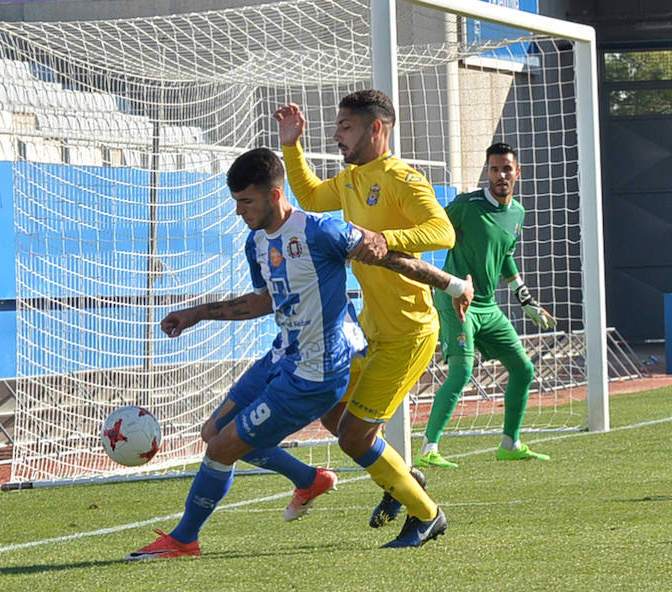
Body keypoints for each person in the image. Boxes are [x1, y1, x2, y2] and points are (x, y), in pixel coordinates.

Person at [125, 148, 472, 560]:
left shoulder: (322, 231)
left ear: (274, 195)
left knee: (225, 449)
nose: (239, 211)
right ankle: (309, 479)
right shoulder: (256, 242)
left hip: (314, 376)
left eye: (246, 202)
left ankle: (184, 539)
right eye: (236, 202)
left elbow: (392, 260)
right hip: (281, 357)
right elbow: (263, 302)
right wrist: (197, 313)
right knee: (214, 434)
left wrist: (453, 286)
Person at [274, 89, 457, 546]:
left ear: (377, 128)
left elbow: (443, 232)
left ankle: (427, 515)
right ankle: (402, 476)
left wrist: (383, 236)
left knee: (354, 437)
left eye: (346, 126)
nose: (336, 135)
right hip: (372, 330)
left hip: (409, 332)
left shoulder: (403, 179)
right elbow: (313, 198)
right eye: (337, 126)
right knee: (331, 408)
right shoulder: (353, 178)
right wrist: (291, 146)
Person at [414, 142, 557, 470]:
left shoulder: (517, 213)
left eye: (507, 169)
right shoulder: (466, 206)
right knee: (463, 371)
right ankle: (428, 447)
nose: (500, 175)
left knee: (524, 369)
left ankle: (510, 443)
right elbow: (432, 231)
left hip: (488, 308)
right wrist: (440, 280)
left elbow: (506, 256)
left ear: (517, 173)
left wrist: (526, 300)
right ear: (487, 173)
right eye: (494, 169)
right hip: (456, 301)